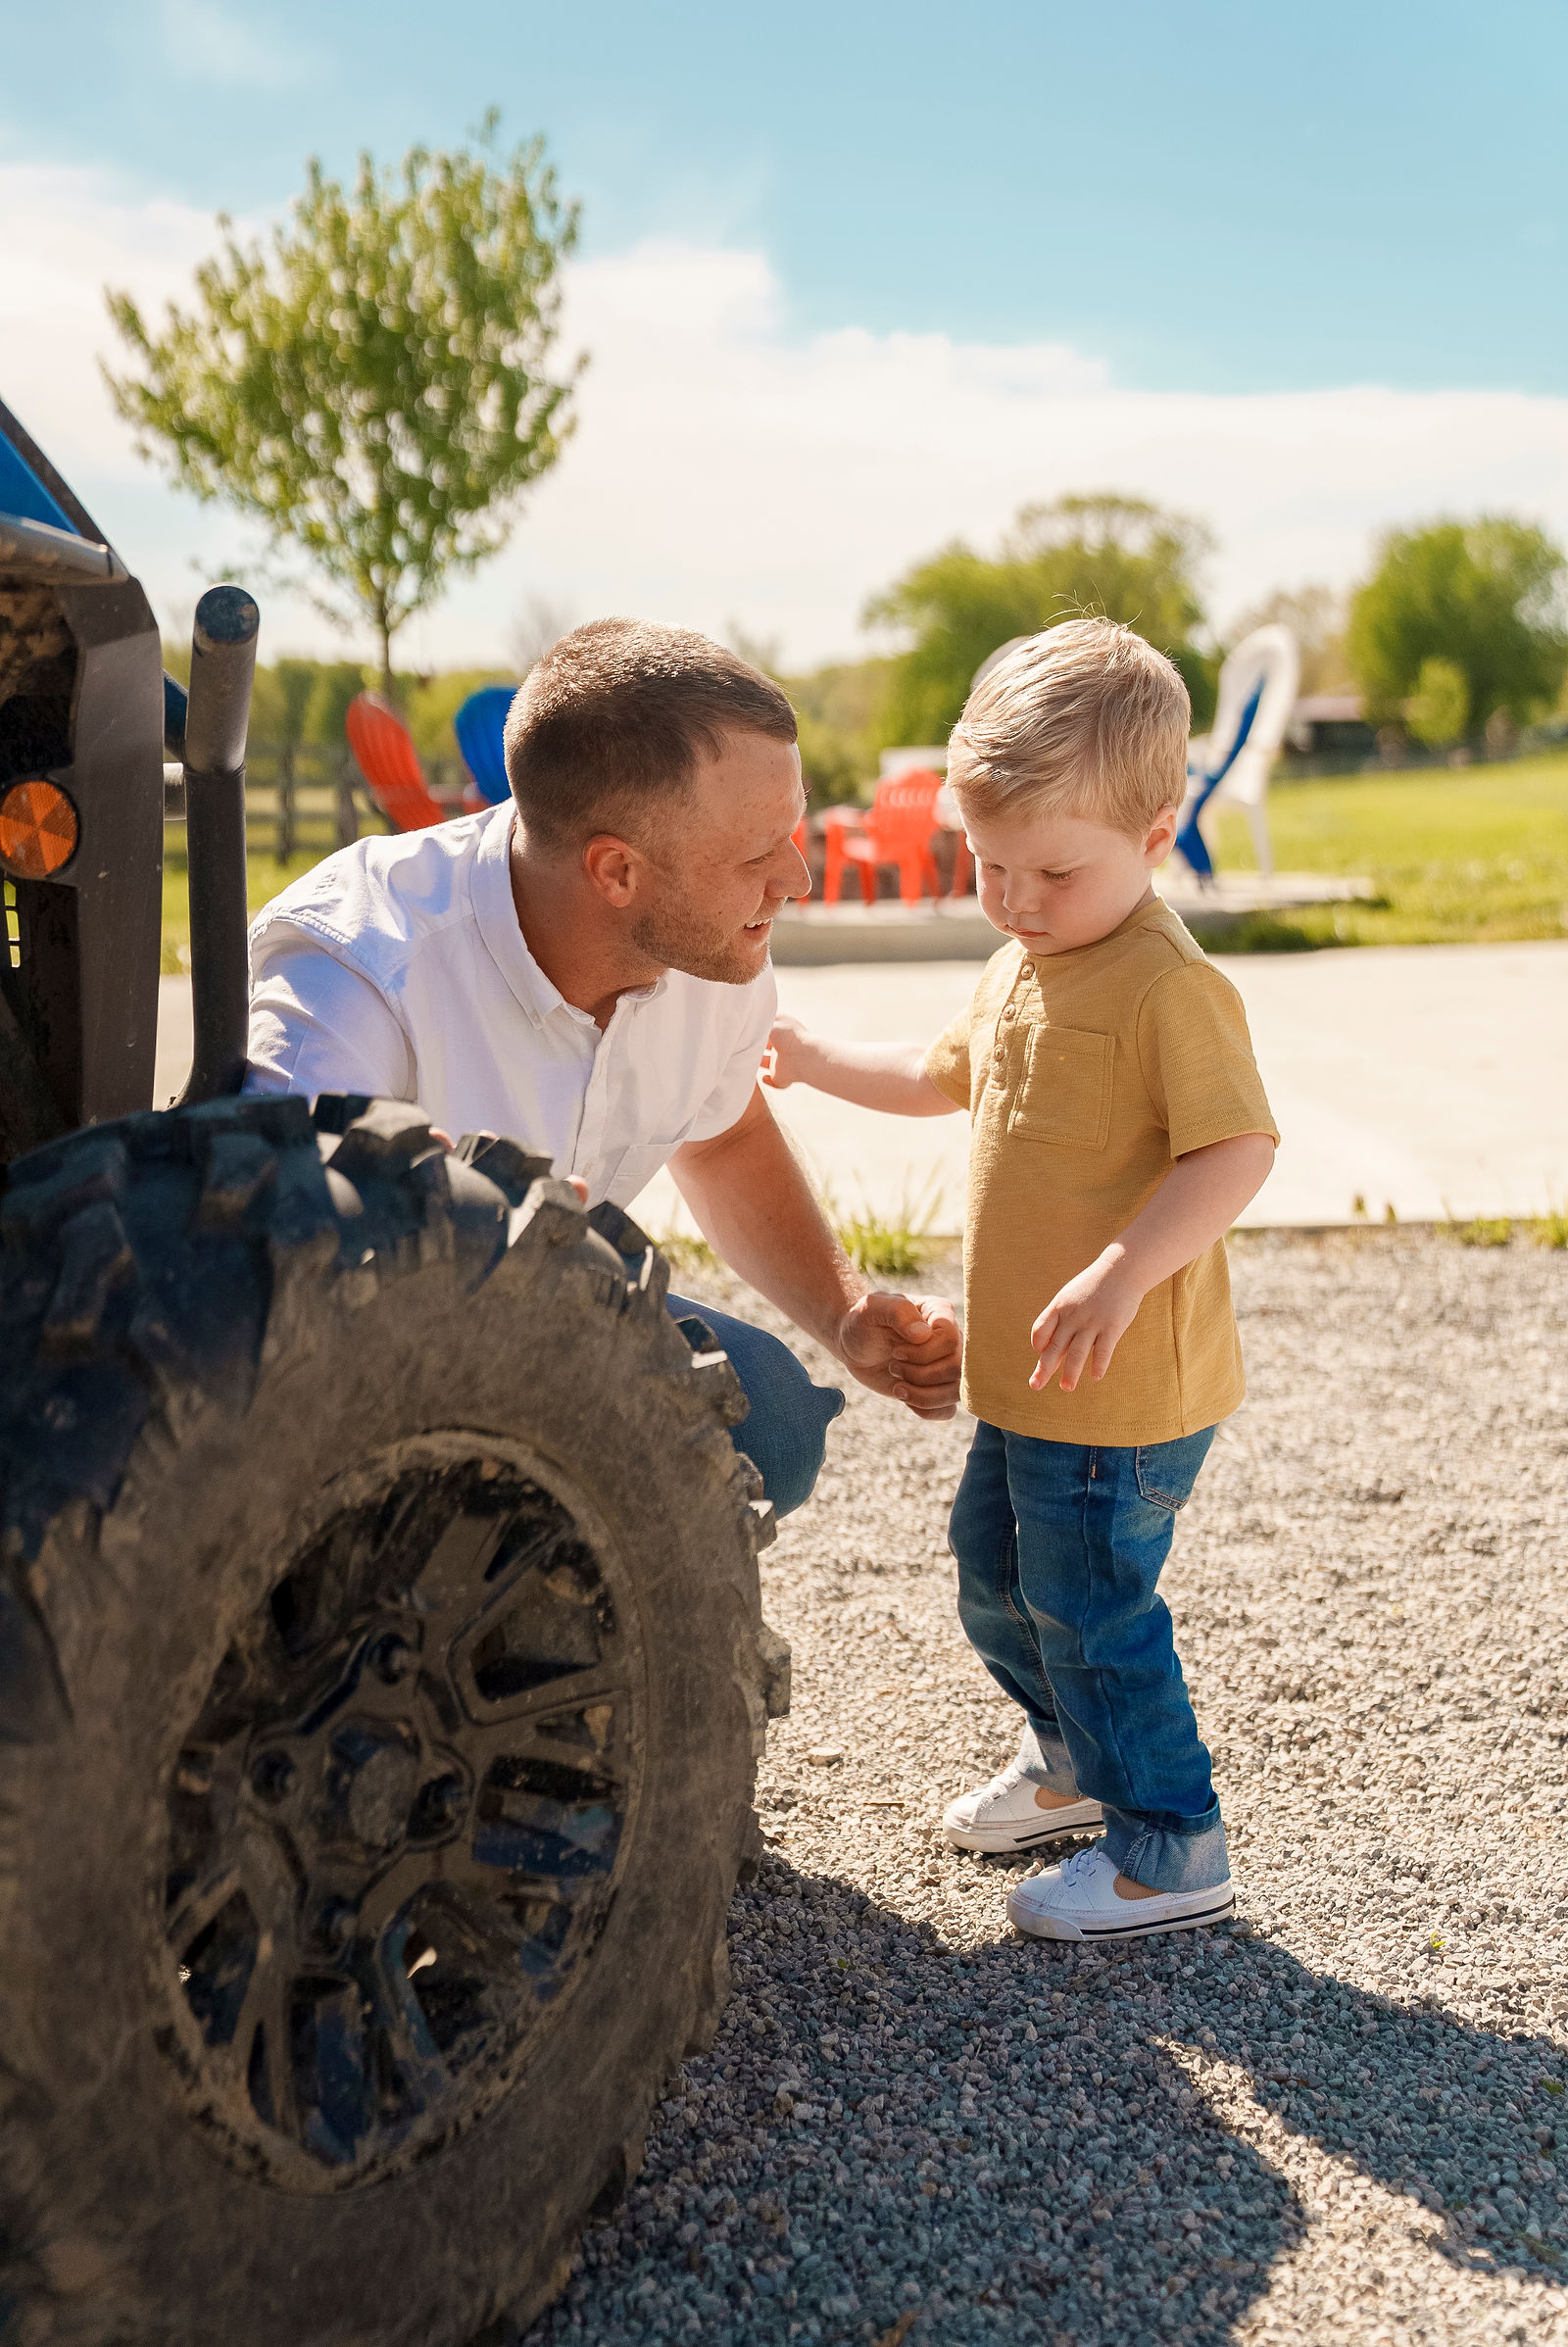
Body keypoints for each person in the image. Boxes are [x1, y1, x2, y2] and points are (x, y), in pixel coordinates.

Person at [762, 618, 1278, 1941]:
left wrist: (1122, 1268)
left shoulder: (1167, 985)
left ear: (1156, 836)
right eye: (989, 864)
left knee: (1092, 1603)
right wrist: (815, 1060)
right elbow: (938, 1073)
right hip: (1032, 1381)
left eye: (1053, 869)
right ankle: (1069, 1761)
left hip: (1120, 1388)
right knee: (995, 1574)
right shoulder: (1019, 965)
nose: (1017, 897)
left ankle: (1169, 1842)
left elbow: (1237, 1149)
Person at [246, 620, 961, 1514]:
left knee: (772, 1422)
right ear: (616, 870)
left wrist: (844, 1311)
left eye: (793, 828)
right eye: (756, 853)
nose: (797, 878)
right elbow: (284, 1267)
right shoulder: (357, 966)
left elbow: (724, 1137)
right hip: (373, 1357)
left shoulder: (715, 943)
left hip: (556, 1317)